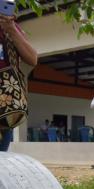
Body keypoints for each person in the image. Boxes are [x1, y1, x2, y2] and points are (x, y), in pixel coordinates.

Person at [0, 13, 37, 152]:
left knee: (1, 163)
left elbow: (32, 59)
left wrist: (11, 29)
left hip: (4, 109)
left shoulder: (10, 28)